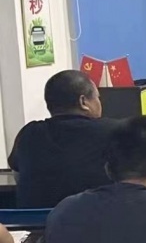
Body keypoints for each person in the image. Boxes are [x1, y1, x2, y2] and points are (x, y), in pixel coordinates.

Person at [7, 70, 117, 208]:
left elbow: (17, 174)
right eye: (97, 97)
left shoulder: (28, 133)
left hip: (36, 220)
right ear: (83, 102)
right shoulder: (115, 132)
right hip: (94, 217)